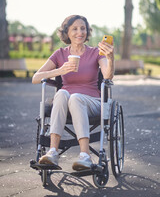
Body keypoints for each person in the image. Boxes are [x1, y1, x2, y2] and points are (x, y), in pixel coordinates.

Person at [32, 15, 114, 171]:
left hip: (92, 102)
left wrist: (110, 57)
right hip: (65, 103)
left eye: (83, 28)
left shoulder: (96, 52)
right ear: (67, 33)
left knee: (75, 98)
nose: (80, 32)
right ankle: (52, 151)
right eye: (75, 29)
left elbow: (108, 75)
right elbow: (36, 78)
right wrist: (60, 70)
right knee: (62, 94)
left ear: (87, 31)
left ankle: (85, 155)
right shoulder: (60, 54)